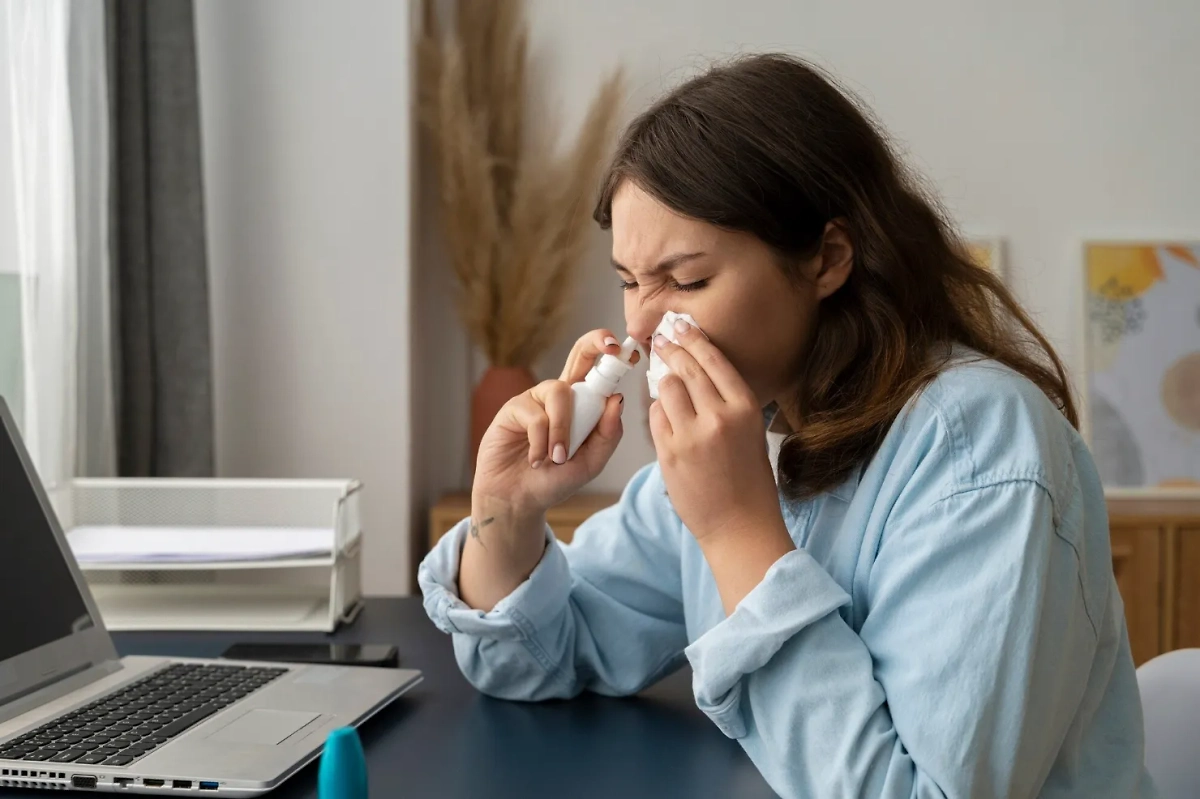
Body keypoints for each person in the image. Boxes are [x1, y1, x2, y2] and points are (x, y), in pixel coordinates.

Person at [418, 53, 1155, 798]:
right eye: (629, 282)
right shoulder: (754, 432)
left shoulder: (981, 451)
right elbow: (532, 659)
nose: (639, 328)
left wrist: (738, 528)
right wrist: (506, 512)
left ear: (828, 258)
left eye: (689, 279)